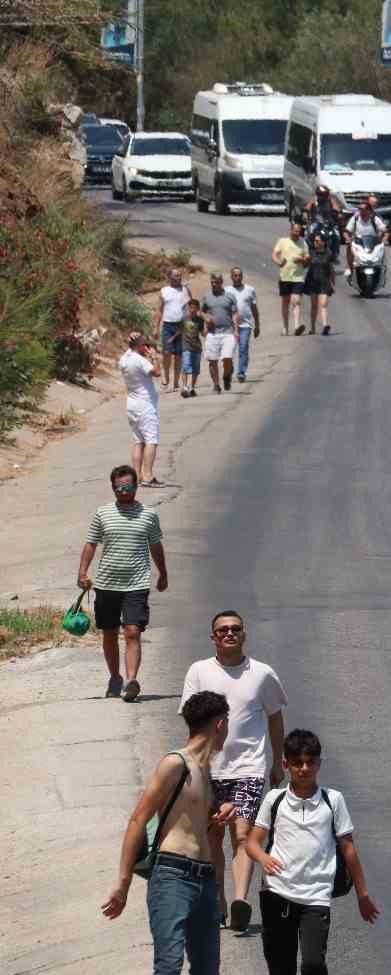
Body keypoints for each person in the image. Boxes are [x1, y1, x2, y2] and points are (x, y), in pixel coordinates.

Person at [102, 690, 232, 975]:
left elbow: (198, 830)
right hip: (172, 875)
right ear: (219, 724)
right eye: (226, 725)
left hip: (204, 879)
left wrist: (214, 820)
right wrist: (123, 883)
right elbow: (138, 818)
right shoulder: (175, 764)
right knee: (169, 966)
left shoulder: (209, 774)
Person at [246, 729, 380, 975]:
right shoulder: (274, 800)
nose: (304, 769)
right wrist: (263, 859)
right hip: (277, 895)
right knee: (281, 969)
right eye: (298, 763)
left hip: (316, 897)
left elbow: (348, 848)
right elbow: (252, 841)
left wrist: (363, 894)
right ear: (286, 764)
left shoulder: (332, 801)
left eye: (310, 763)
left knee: (313, 965)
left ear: (319, 764)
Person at [181, 610, 288, 932]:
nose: (229, 634)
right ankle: (218, 903)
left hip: (249, 769)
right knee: (213, 837)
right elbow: (191, 722)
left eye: (235, 629)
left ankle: (240, 899)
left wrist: (277, 761)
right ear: (213, 637)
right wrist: (191, 765)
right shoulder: (199, 672)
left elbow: (275, 717)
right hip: (209, 769)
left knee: (242, 835)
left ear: (244, 635)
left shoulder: (262, 674)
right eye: (222, 630)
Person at [78, 465, 167, 701]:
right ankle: (115, 677)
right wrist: (83, 572)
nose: (123, 491)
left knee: (132, 631)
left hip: (136, 583)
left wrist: (163, 573)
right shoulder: (102, 513)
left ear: (136, 486)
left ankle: (131, 681)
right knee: (109, 632)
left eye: (127, 487)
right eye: (119, 488)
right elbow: (91, 544)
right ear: (113, 488)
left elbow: (156, 545)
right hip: (107, 584)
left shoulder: (149, 514)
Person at [119, 331, 161, 486]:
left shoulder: (124, 359)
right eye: (145, 344)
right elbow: (157, 373)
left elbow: (132, 346)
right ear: (141, 346)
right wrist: (155, 358)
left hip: (131, 404)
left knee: (138, 441)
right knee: (151, 440)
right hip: (145, 405)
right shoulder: (140, 361)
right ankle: (148, 476)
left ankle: (136, 476)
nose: (147, 346)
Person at [200, 273, 239, 393]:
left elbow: (235, 313)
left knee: (227, 358)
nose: (214, 284)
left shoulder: (230, 296)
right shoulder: (207, 297)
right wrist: (206, 318)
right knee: (212, 360)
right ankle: (216, 385)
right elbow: (200, 311)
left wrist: (236, 329)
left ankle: (227, 376)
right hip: (212, 333)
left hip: (227, 332)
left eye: (216, 282)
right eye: (212, 282)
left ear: (221, 282)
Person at [272, 220, 311, 336]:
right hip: (285, 276)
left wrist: (303, 260)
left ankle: (297, 326)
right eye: (295, 231)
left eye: (299, 232)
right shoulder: (282, 241)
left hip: (298, 277)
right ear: (291, 230)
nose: (296, 233)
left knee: (296, 301)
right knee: (285, 302)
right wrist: (279, 262)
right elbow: (274, 254)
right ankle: (285, 327)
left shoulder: (303, 243)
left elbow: (308, 259)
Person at [157, 268, 191, 391]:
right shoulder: (164, 291)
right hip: (168, 326)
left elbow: (189, 309)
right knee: (166, 353)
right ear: (170, 277)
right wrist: (156, 328)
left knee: (179, 356)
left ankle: (176, 382)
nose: (179, 277)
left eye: (180, 275)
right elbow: (160, 310)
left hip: (181, 327)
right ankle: (166, 378)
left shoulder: (185, 290)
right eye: (176, 275)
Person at [225, 268, 260, 382]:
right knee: (229, 350)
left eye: (239, 275)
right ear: (231, 277)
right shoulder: (226, 291)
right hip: (230, 326)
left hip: (246, 325)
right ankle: (230, 368)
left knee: (243, 347)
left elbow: (254, 309)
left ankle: (241, 372)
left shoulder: (250, 290)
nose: (237, 277)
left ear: (242, 276)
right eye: (235, 275)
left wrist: (257, 325)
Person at [343, 195, 388, 281]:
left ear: (369, 210)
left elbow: (385, 231)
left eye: (364, 210)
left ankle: (381, 271)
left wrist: (384, 240)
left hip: (372, 243)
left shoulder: (375, 219)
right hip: (358, 243)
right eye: (360, 210)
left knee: (381, 250)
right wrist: (347, 238)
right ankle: (349, 266)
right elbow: (346, 231)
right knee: (349, 246)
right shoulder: (355, 218)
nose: (362, 212)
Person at [304, 233, 337, 336]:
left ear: (323, 243)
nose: (315, 243)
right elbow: (304, 266)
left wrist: (333, 283)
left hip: (324, 282)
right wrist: (305, 260)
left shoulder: (329, 254)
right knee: (314, 306)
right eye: (315, 241)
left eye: (318, 241)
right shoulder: (311, 253)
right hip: (312, 282)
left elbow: (331, 269)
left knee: (323, 305)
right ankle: (313, 328)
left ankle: (325, 325)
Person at [180, 298, 204, 398]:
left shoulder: (200, 320)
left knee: (195, 369)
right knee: (185, 366)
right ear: (188, 308)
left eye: (195, 308)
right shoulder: (184, 318)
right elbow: (179, 330)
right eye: (191, 307)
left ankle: (192, 387)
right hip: (186, 346)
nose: (192, 309)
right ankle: (185, 387)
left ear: (198, 309)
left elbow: (203, 333)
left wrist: (208, 325)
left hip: (197, 347)